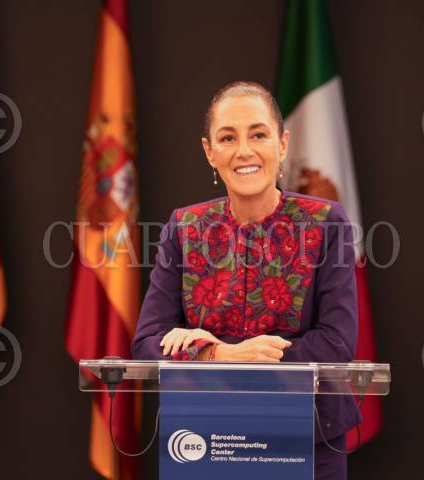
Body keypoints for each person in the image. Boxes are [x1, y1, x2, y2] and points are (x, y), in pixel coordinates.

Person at [131, 81, 359, 479]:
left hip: (309, 439)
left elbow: (336, 343)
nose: (244, 151)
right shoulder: (184, 227)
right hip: (206, 437)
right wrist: (220, 355)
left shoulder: (326, 222)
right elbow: (147, 343)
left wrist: (237, 354)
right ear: (209, 152)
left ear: (282, 144)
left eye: (258, 134)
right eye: (227, 138)